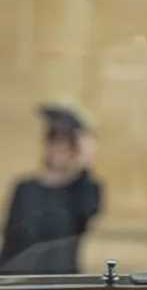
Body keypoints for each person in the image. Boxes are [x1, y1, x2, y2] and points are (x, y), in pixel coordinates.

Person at [0, 104, 102, 274]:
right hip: (17, 278)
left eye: (67, 143)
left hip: (60, 283)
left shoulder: (83, 189)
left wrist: (86, 158)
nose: (59, 149)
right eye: (54, 140)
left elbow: (88, 212)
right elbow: (11, 237)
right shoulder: (25, 188)